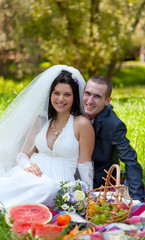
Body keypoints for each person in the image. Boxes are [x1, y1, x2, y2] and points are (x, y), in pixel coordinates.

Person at [0, 65, 95, 209]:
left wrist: (89, 196)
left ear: (74, 97)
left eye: (67, 94)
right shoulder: (41, 120)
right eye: (56, 93)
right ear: (50, 94)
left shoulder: (81, 124)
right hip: (32, 172)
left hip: (57, 181)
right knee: (7, 185)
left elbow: (85, 165)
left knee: (47, 189)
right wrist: (27, 165)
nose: (60, 99)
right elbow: (22, 155)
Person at [83, 75, 145, 203]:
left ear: (107, 101)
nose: (90, 100)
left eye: (97, 96)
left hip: (98, 179)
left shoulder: (113, 125)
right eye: (87, 94)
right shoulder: (72, 112)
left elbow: (130, 160)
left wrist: (137, 199)